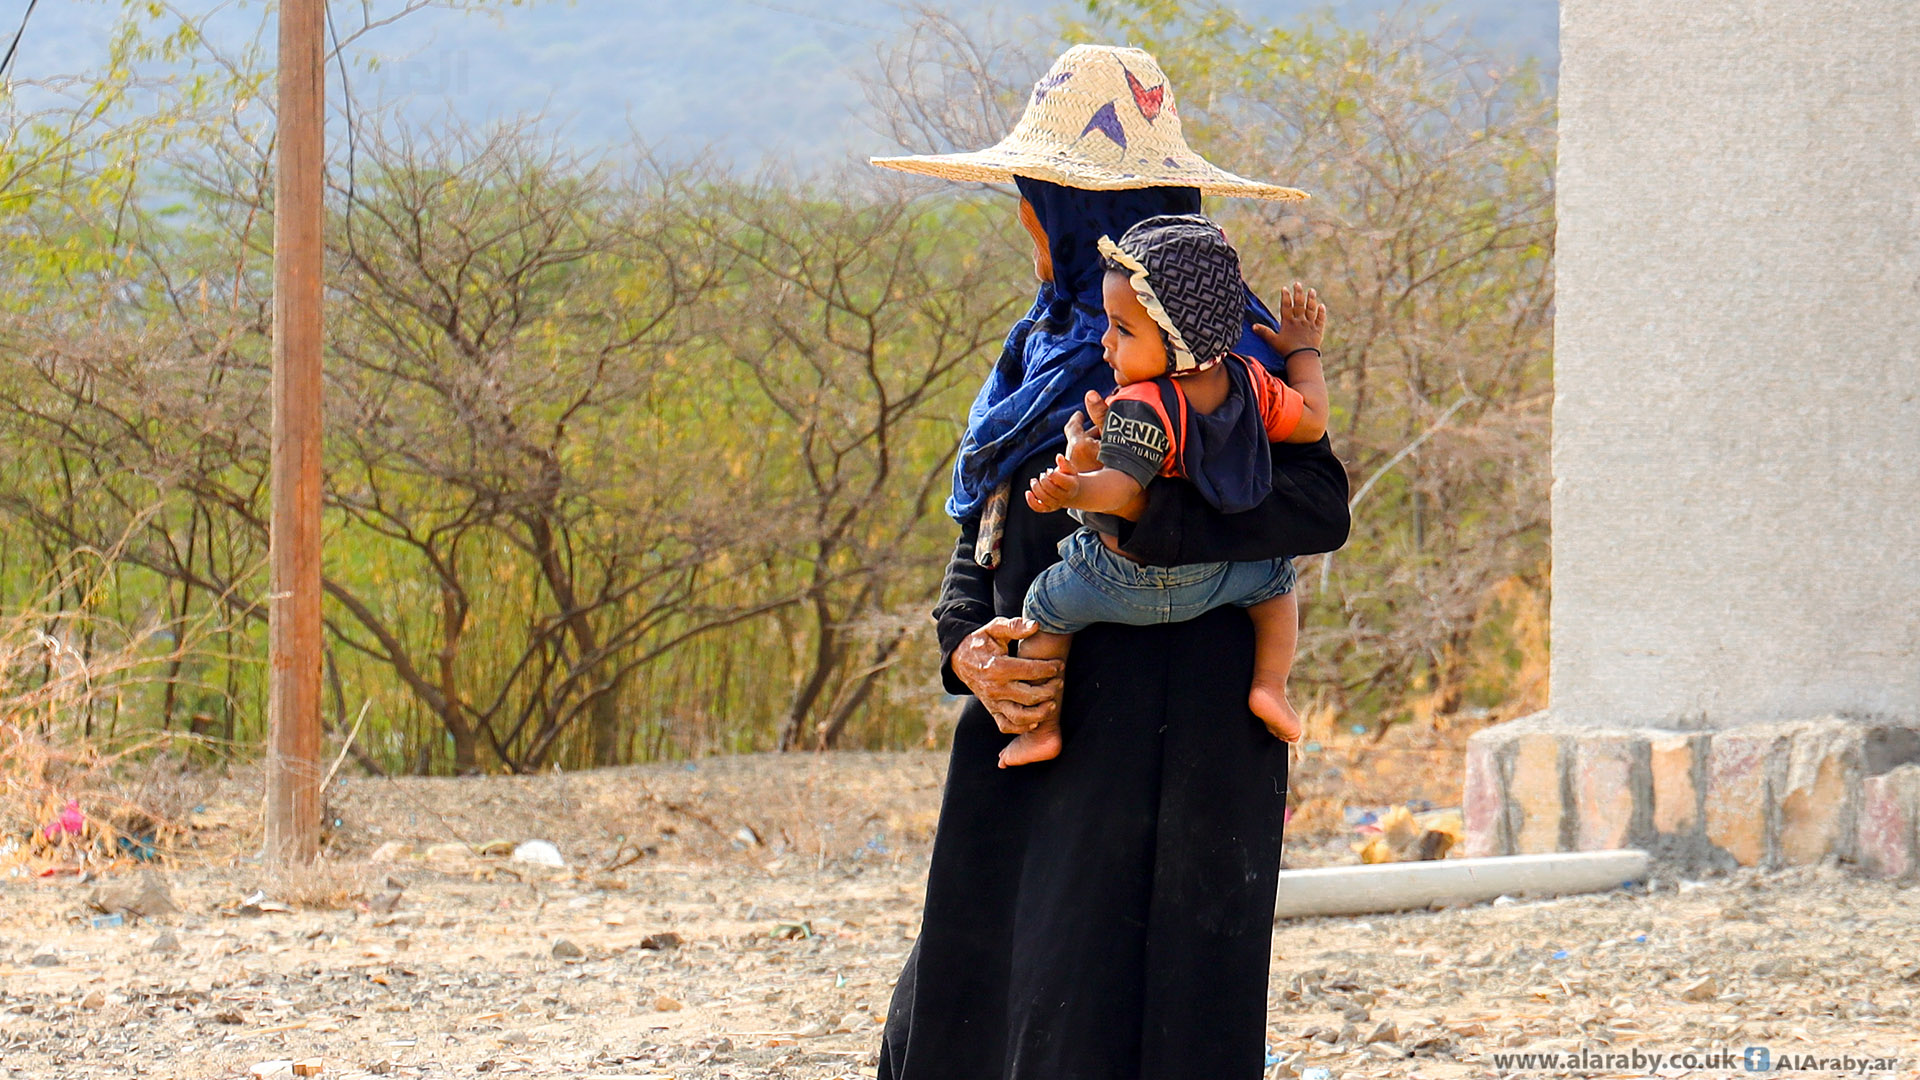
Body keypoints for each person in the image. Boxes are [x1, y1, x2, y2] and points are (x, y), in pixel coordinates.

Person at [868, 44, 1350, 1080]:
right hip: (1028, 736)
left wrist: (1134, 522)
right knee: (973, 1005)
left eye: (1031, 201)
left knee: (1137, 1021)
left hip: (1182, 757)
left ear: (1070, 215)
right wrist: (969, 655)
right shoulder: (1031, 365)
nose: (1024, 222)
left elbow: (1318, 506)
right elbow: (982, 540)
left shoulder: (1228, 360)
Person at [1003, 213, 1331, 768]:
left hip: (1121, 581)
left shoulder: (1143, 403)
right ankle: (1270, 687)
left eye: (1123, 330)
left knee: (1043, 609)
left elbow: (1120, 489)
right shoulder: (1253, 383)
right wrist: (1302, 350)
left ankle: (1041, 729)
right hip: (1222, 576)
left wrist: (1073, 486)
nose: (1106, 342)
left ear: (1178, 336)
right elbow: (1315, 422)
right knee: (1277, 586)